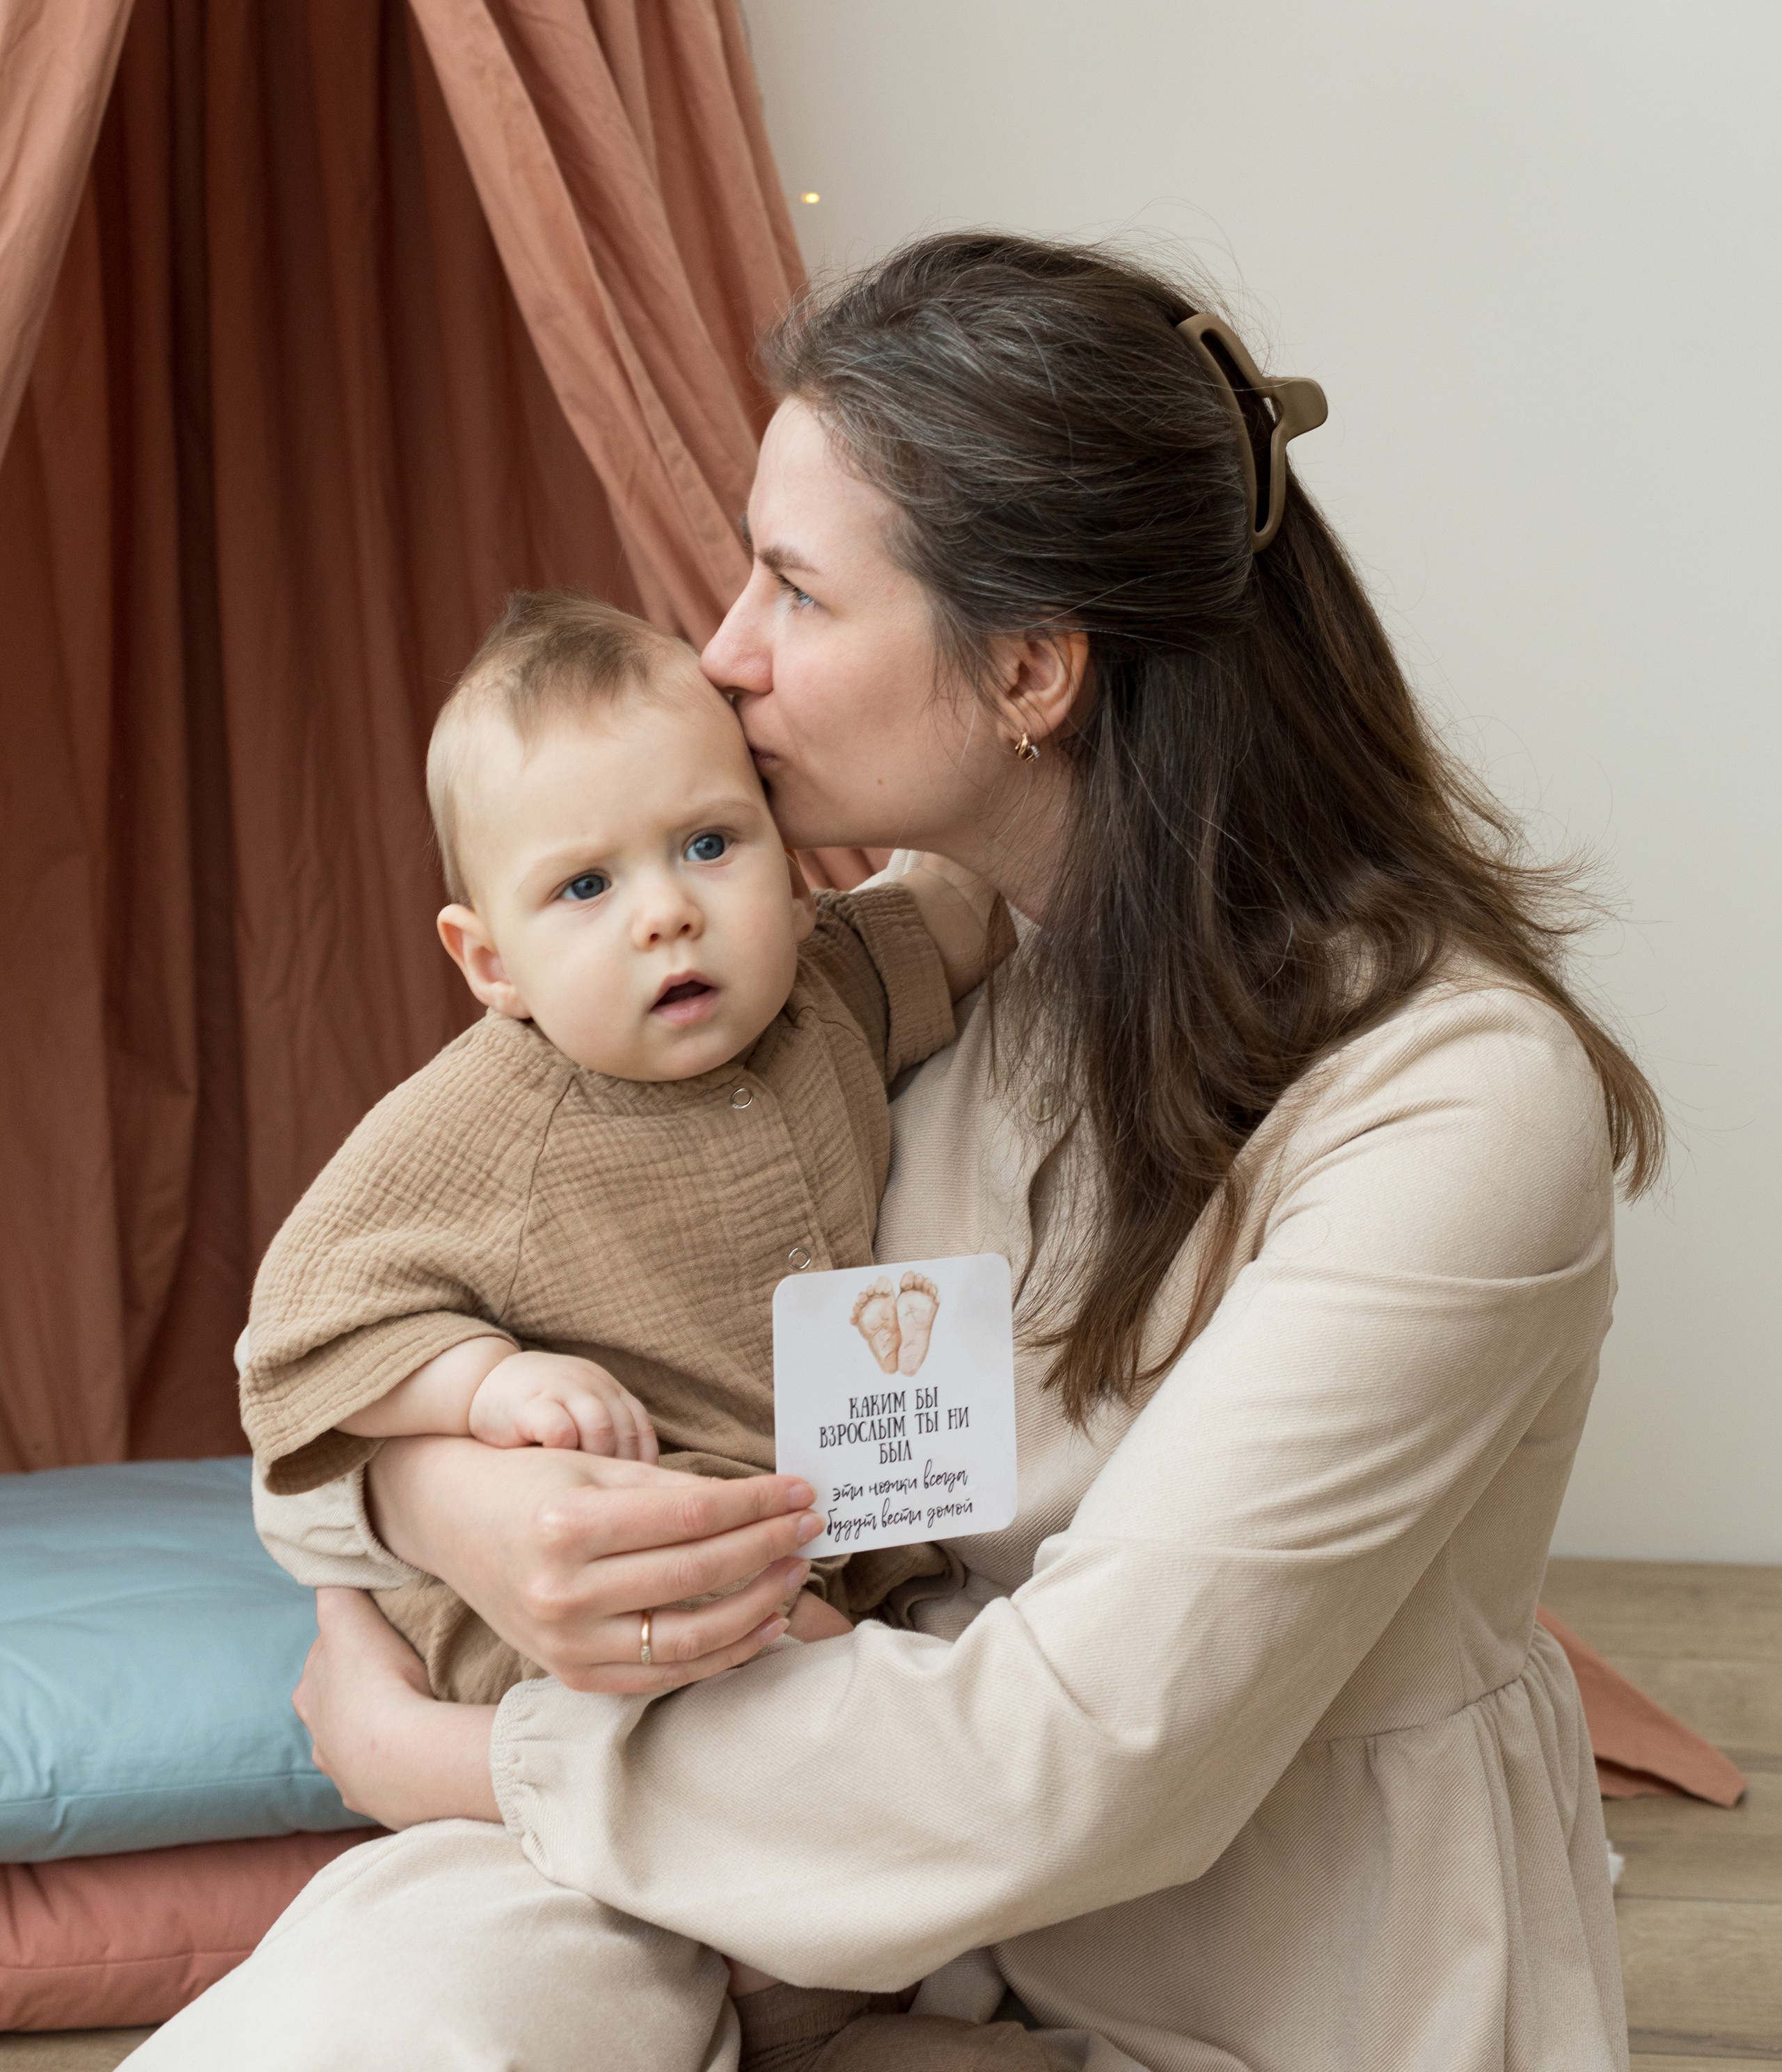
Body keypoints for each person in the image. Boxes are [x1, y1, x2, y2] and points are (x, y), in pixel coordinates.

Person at [139, 234, 1655, 2072]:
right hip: (768, 1879)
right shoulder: (849, 982)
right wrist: (447, 1501)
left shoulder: (1455, 1114)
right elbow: (353, 1358)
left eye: (793, 589)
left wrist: (454, 1755)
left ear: (1028, 669)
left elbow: (1074, 1764)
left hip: (1213, 1986)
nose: (721, 655)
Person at [239, 588, 996, 1704]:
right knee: (811, 1666)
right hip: (603, 1575)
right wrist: (489, 1384)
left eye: (708, 844)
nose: (667, 913)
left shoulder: (834, 981)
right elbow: (300, 1334)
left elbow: (971, 902)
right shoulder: (482, 1120)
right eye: (586, 886)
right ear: (491, 963)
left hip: (828, 1516)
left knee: (853, 1647)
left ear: (792, 871)